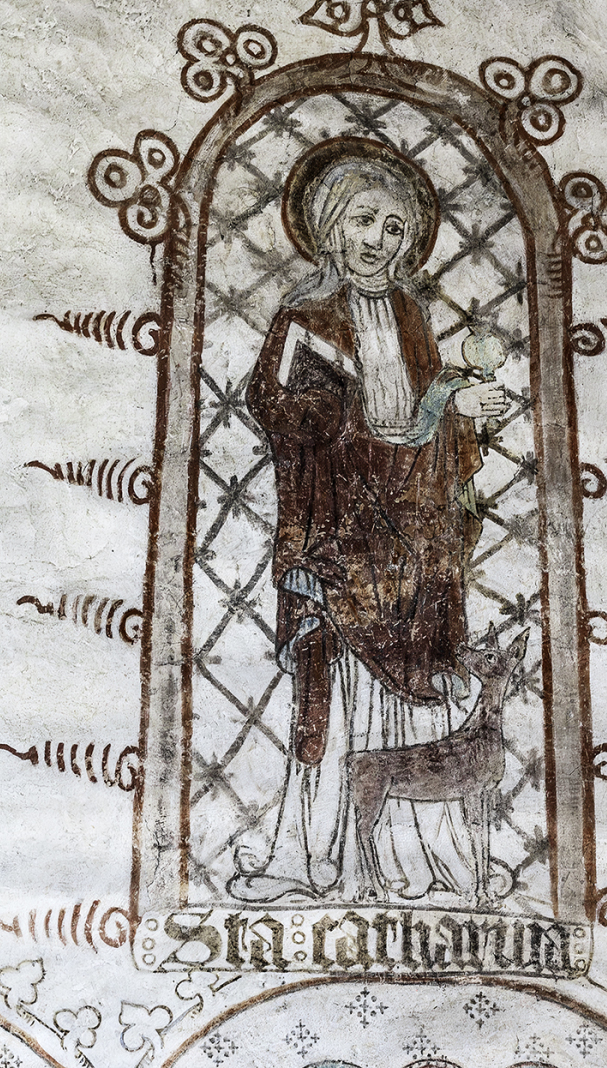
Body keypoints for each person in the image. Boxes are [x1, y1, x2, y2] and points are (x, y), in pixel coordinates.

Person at [227, 137, 509, 903]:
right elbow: (276, 409)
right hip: (337, 533)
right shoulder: (305, 317)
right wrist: (333, 405)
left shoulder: (412, 316)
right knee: (334, 691)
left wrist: (459, 408)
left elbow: (419, 431)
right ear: (330, 228)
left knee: (410, 695)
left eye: (394, 227)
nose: (377, 240)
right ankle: (314, 855)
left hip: (408, 543)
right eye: (362, 221)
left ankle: (414, 855)